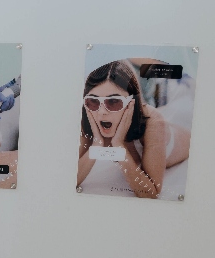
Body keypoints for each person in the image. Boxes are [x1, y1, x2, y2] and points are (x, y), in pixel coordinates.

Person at [77, 60, 191, 198]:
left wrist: (119, 147)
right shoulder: (90, 115)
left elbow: (151, 193)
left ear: (132, 103)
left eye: (113, 101)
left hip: (181, 128)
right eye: (93, 100)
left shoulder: (154, 124)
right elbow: (71, 179)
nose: (101, 112)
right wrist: (97, 144)